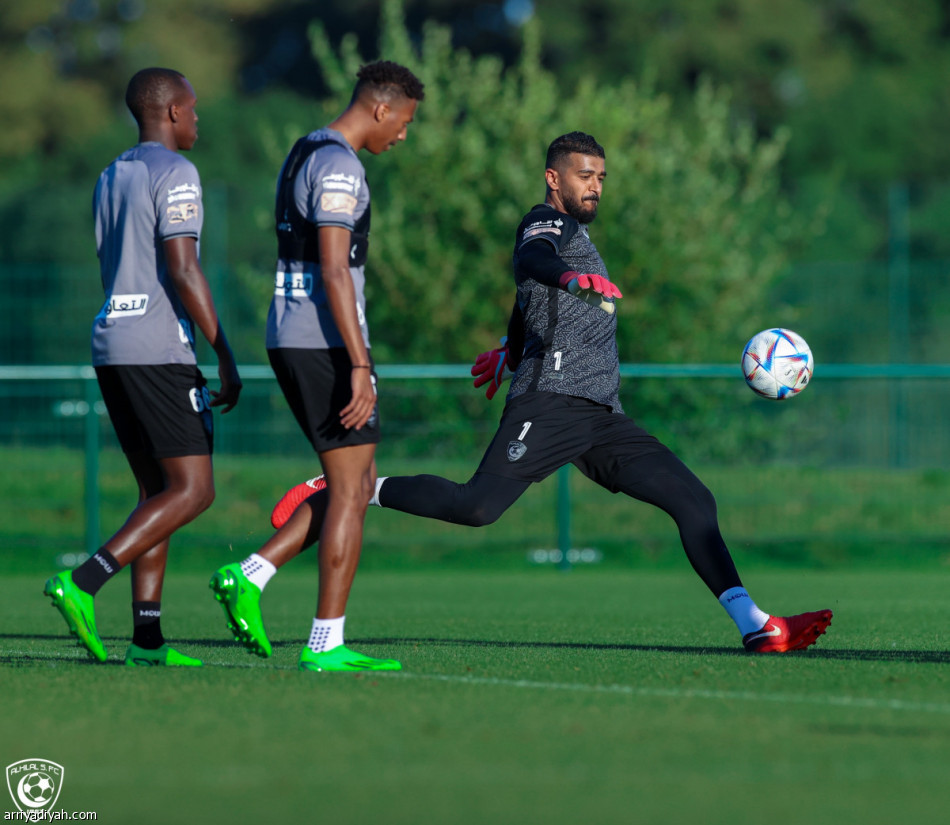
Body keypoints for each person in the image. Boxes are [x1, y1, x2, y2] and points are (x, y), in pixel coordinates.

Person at [261, 131, 833, 655]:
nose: (595, 186)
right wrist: (568, 278)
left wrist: (509, 346)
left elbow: (526, 296)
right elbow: (532, 262)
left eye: (602, 177)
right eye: (585, 175)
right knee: (477, 507)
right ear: (554, 178)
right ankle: (360, 486)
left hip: (601, 415)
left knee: (694, 501)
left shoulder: (576, 236)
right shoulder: (546, 224)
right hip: (551, 401)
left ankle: (756, 625)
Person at [208, 61, 424, 673]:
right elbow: (333, 269)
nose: (402, 136)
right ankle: (325, 641)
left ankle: (250, 573)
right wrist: (360, 363)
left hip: (299, 337)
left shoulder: (306, 148)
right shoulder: (340, 164)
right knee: (353, 490)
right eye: (404, 122)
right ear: (381, 108)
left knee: (356, 479)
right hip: (324, 344)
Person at [43, 67, 242, 666]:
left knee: (155, 491)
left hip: (111, 341)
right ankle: (83, 582)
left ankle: (147, 639)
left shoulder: (112, 173)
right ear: (175, 111)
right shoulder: (176, 171)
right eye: (195, 107)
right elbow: (183, 269)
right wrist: (224, 352)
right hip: (158, 346)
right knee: (194, 490)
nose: (199, 117)